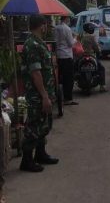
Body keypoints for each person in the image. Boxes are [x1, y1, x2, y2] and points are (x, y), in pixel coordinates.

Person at [20, 15, 58, 172]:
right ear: (42, 26)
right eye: (46, 25)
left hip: (43, 93)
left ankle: (40, 154)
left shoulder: (38, 42)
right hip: (37, 95)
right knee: (34, 126)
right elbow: (36, 73)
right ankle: (27, 160)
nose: (47, 27)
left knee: (43, 124)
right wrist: (44, 96)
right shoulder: (32, 45)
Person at [55, 16, 78, 106]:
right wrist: (75, 38)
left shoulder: (56, 28)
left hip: (58, 55)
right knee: (68, 79)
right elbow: (71, 43)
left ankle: (59, 97)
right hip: (67, 56)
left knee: (59, 78)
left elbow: (56, 42)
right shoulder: (67, 29)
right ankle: (68, 99)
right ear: (66, 19)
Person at [81, 22, 107, 92]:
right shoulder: (92, 37)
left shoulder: (81, 36)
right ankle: (102, 86)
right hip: (91, 56)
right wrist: (99, 51)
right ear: (90, 29)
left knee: (75, 68)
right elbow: (96, 48)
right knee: (101, 68)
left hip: (81, 56)